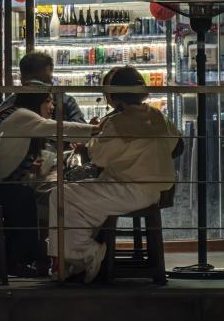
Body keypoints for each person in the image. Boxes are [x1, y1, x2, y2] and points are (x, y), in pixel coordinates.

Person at [47, 66, 182, 282]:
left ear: (113, 95)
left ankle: (86, 253)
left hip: (128, 189)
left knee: (61, 194)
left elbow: (98, 157)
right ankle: (76, 260)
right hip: (156, 190)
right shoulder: (158, 115)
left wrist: (92, 140)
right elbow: (177, 146)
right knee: (80, 197)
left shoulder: (117, 122)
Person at [0, 83, 96, 275]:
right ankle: (19, 261)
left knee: (24, 195)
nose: (52, 107)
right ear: (36, 101)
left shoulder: (13, 112)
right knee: (24, 198)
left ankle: (22, 258)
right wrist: (95, 129)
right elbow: (59, 128)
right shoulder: (25, 115)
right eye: (48, 101)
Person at [0, 52, 86, 124]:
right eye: (42, 81)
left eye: (46, 81)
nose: (49, 84)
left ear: (22, 80)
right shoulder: (65, 101)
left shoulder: (10, 104)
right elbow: (82, 132)